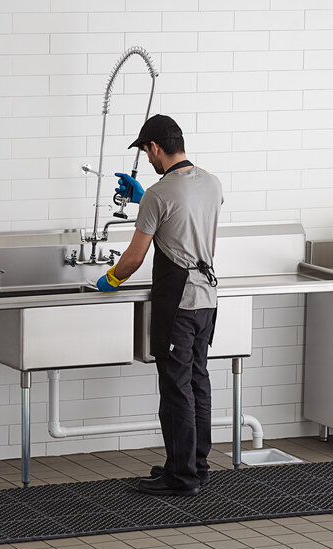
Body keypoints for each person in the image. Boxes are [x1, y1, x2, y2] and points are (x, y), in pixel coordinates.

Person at [96, 114, 223, 497]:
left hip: (178, 304)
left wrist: (109, 280)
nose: (148, 160)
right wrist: (142, 199)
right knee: (197, 381)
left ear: (154, 148)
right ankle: (194, 466)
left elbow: (133, 259)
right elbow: (183, 214)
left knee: (176, 388)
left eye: (146, 152)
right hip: (207, 300)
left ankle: (180, 478)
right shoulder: (211, 183)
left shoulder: (159, 194)